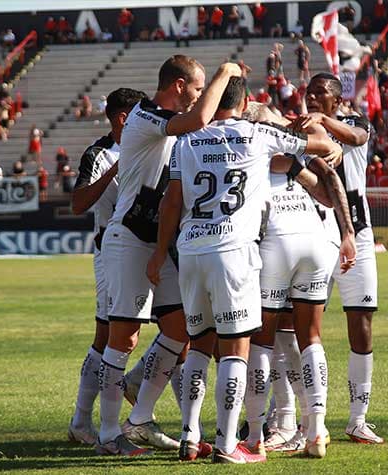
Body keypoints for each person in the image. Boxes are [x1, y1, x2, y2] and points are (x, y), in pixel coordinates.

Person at [146, 77, 345, 463]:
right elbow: (318, 147)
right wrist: (325, 141)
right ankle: (227, 444)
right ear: (247, 102)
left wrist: (158, 253)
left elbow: (172, 202)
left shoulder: (186, 140)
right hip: (234, 251)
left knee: (200, 344)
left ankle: (190, 437)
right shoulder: (256, 134)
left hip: (191, 248)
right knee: (238, 348)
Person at [95, 56, 242, 456]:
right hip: (128, 238)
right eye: (195, 90)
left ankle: (139, 417)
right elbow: (197, 121)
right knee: (122, 338)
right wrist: (225, 74)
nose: (198, 98)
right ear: (179, 85)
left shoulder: (164, 121)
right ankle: (108, 435)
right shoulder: (146, 114)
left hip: (154, 244)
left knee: (180, 330)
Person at [239, 103, 355, 458]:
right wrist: (347, 231)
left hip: (276, 242)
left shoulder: (247, 147)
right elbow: (327, 182)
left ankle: (256, 434)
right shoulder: (293, 149)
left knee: (261, 342)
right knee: (311, 338)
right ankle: (316, 430)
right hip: (314, 240)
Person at [292, 73, 383, 444]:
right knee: (298, 326)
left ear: (337, 98)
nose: (313, 98)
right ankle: (301, 420)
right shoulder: (296, 128)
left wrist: (322, 122)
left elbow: (356, 138)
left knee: (361, 322)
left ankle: (358, 418)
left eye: (321, 93)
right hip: (311, 234)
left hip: (356, 234)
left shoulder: (352, 121)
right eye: (309, 92)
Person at [67, 88, 147, 446]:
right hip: (110, 253)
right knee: (107, 337)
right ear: (122, 118)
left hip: (149, 249)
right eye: (140, 113)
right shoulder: (98, 154)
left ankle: (139, 400)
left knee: (180, 330)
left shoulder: (148, 143)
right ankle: (82, 422)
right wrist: (116, 168)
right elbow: (78, 203)